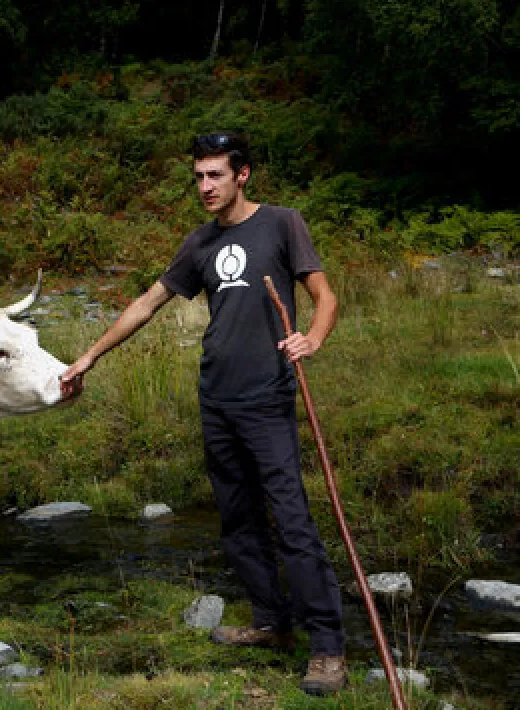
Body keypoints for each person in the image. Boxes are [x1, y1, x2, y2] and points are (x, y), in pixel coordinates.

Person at [60, 132, 347, 696]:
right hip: (216, 399)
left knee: (291, 521)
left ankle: (327, 647)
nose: (205, 187)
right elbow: (148, 302)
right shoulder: (199, 244)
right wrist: (88, 355)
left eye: (215, 175)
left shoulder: (283, 223)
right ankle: (271, 623)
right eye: (198, 177)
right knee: (238, 519)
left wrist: (312, 338)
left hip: (267, 398)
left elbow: (324, 294)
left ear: (243, 175)